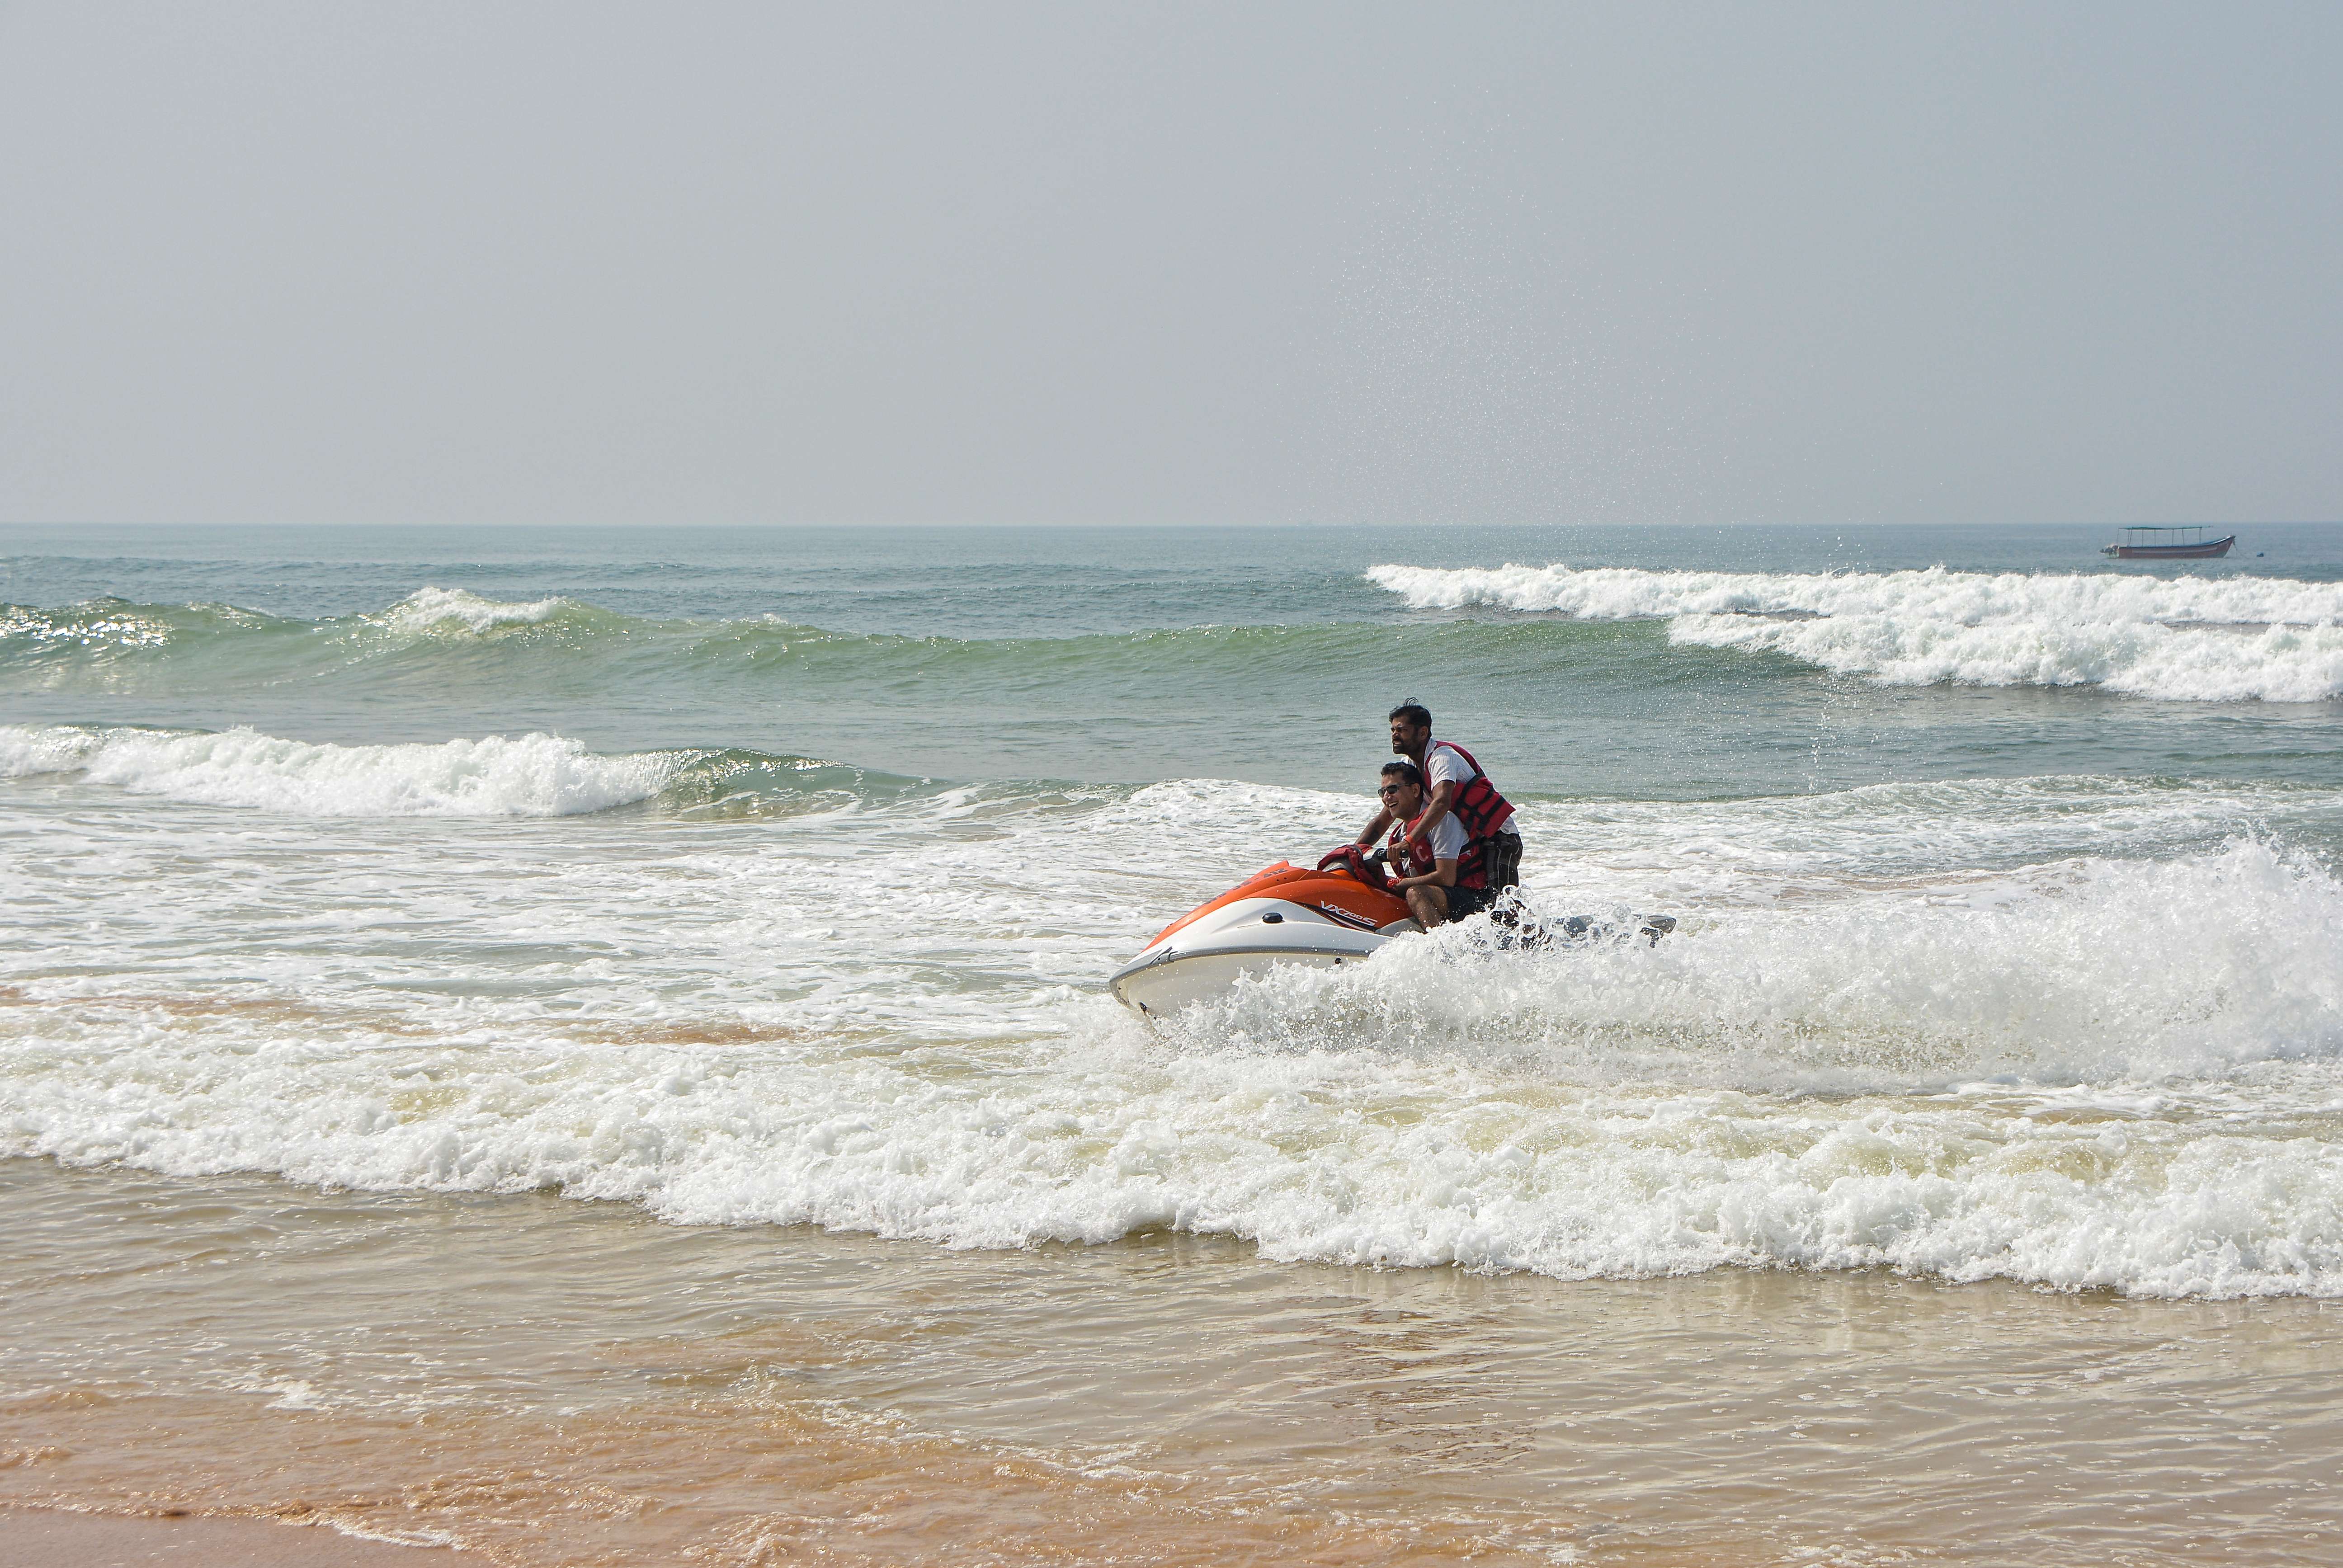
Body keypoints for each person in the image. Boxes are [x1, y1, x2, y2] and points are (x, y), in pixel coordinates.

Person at [1353, 702, 1522, 899]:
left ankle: (1533, 930)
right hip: (1469, 838)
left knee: (1502, 904)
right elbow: (1384, 818)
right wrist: (1354, 854)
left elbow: (1442, 802)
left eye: (1402, 730)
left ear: (1423, 733)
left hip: (1498, 837)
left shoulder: (1442, 758)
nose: (1395, 735)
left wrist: (1409, 841)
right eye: (1392, 730)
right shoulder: (1409, 766)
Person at [1372, 761, 1494, 927]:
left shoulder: (1442, 821)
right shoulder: (1398, 837)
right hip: (1441, 898)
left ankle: (1436, 948)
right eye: (1382, 792)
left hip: (1473, 898)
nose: (1387, 797)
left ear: (1415, 790)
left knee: (1415, 893)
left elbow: (1446, 878)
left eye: (1393, 789)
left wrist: (1393, 884)